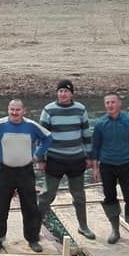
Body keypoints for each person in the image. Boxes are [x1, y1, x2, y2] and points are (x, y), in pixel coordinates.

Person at [0, 99, 52, 254]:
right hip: (5, 171)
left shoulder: (31, 126)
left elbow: (48, 138)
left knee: (30, 207)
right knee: (0, 208)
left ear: (24, 111)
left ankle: (33, 239)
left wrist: (37, 154)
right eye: (11, 109)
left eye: (17, 110)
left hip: (25, 171)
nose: (14, 113)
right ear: (8, 109)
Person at [37, 79, 95, 239]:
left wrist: (90, 157)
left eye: (66, 91)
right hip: (55, 159)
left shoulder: (80, 109)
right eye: (60, 91)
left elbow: (86, 135)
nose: (63, 94)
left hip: (76, 159)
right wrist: (40, 159)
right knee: (48, 194)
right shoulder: (49, 110)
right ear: (57, 93)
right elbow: (41, 137)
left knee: (79, 195)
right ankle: (35, 226)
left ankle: (83, 226)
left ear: (71, 94)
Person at [91, 92, 129, 247]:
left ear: (119, 104)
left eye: (113, 102)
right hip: (106, 166)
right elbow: (95, 148)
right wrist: (95, 169)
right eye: (107, 102)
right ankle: (115, 230)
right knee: (110, 198)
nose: (110, 105)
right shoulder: (100, 124)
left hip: (125, 165)